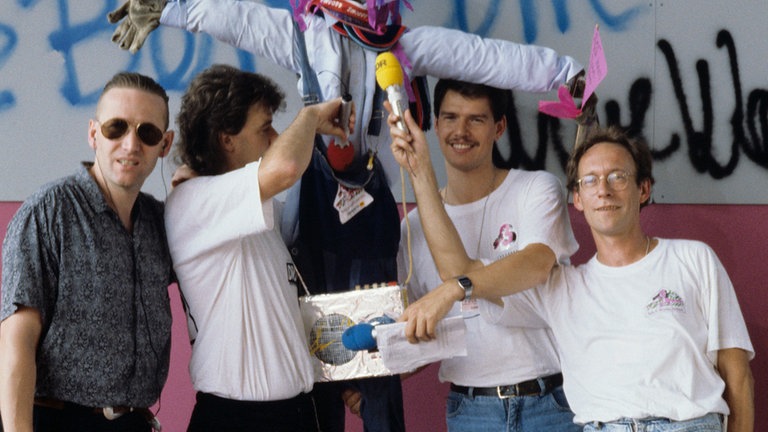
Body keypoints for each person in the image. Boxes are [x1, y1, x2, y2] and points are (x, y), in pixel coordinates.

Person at [108, 2, 586, 430]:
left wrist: (566, 74)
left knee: (375, 315)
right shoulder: (305, 33)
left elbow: (484, 56)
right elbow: (241, 21)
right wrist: (170, 7)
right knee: (303, 292)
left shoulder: (400, 46)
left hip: (371, 185)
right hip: (312, 183)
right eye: (264, 129)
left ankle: (366, 395)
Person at [481, 126, 755, 431]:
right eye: (590, 180)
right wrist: (421, 172)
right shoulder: (562, 287)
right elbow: (469, 273)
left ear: (643, 189)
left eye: (617, 177)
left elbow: (738, 376)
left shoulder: (693, 259)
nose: (604, 190)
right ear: (578, 198)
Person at [164, 64, 354, 432]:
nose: (275, 136)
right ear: (226, 139)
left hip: (296, 413)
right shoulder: (194, 200)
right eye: (264, 127)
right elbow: (285, 166)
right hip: (239, 418)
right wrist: (311, 116)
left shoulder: (254, 212)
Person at [387, 79, 581, 431]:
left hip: (550, 403)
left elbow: (537, 264)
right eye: (450, 118)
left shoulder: (536, 189)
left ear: (499, 127)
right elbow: (419, 329)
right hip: (471, 411)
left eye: (476, 119)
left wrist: (454, 288)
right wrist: (368, 380)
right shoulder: (411, 227)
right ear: (435, 124)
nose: (461, 131)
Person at [0, 72, 175, 432]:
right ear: (93, 133)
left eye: (147, 133)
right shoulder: (49, 212)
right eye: (116, 128)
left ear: (165, 144)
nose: (131, 144)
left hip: (133, 422)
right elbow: (16, 341)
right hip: (56, 419)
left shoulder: (162, 223)